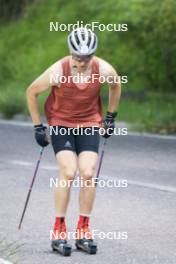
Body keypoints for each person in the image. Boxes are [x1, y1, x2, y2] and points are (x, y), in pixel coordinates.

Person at [26, 27, 121, 254]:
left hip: (89, 123)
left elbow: (116, 86)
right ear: (71, 53)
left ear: (93, 55)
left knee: (87, 173)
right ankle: (59, 229)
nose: (83, 62)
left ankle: (83, 230)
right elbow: (31, 92)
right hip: (61, 123)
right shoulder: (58, 70)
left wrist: (110, 117)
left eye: (87, 57)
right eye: (78, 57)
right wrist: (38, 127)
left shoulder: (104, 69)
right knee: (68, 172)